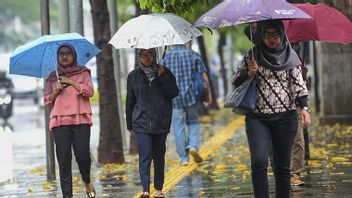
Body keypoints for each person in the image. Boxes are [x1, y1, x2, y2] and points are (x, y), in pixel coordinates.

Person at [232, 20, 310, 198]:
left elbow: (299, 86)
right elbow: (235, 80)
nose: (272, 38)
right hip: (257, 118)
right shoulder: (252, 55)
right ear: (261, 35)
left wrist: (304, 108)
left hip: (285, 117)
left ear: (282, 35)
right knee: (259, 162)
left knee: (281, 166)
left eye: (276, 34)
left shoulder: (291, 56)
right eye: (267, 34)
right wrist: (248, 73)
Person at [44, 44, 96, 198]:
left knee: (82, 156)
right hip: (60, 121)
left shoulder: (83, 72)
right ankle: (67, 195)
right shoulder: (52, 77)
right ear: (57, 57)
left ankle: (87, 181)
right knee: (63, 158)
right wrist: (57, 90)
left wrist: (71, 81)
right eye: (61, 54)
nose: (64, 56)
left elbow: (90, 92)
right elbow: (47, 100)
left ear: (73, 55)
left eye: (68, 53)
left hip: (81, 119)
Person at [126, 48, 179, 198]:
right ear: (139, 57)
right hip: (141, 122)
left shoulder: (165, 72)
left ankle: (158, 189)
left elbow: (174, 93)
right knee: (145, 155)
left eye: (149, 54)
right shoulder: (133, 76)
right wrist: (129, 123)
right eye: (143, 55)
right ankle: (145, 190)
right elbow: (130, 101)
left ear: (154, 55)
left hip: (160, 122)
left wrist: (163, 77)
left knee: (159, 156)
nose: (146, 58)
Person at [161, 44, 212, 166]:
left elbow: (161, 78)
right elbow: (204, 76)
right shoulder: (193, 55)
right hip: (191, 96)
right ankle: (193, 145)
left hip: (174, 98)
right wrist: (209, 94)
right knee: (193, 121)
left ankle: (184, 158)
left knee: (178, 127)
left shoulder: (166, 58)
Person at [290, 42, 310, 187]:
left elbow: (301, 86)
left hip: (295, 104)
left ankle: (295, 173)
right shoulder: (260, 54)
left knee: (298, 141)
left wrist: (303, 74)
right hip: (272, 109)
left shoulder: (293, 55)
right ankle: (283, 172)